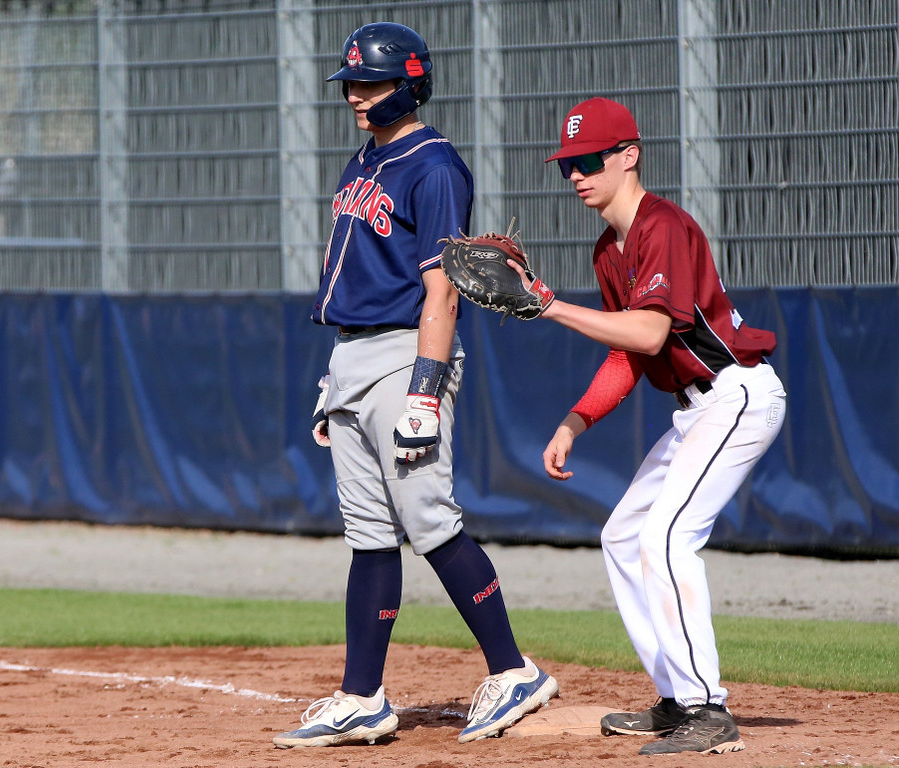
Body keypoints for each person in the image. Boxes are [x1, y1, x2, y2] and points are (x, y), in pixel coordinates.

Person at [272, 22, 558, 749]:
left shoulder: (434, 167)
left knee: (429, 521)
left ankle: (513, 670)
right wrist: (335, 379)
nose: (355, 96)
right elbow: (358, 276)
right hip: (352, 357)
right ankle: (362, 697)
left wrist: (425, 391)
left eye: (369, 83)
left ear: (409, 83)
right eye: (351, 84)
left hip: (406, 356)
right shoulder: (364, 160)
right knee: (369, 534)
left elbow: (443, 290)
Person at [521, 97, 787, 755]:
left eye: (590, 160)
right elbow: (629, 354)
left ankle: (706, 709)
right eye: (568, 165)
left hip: (736, 395)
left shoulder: (660, 225)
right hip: (698, 408)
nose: (576, 174)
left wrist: (550, 307)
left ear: (628, 156)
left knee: (666, 537)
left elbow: (648, 330)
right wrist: (575, 421)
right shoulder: (607, 252)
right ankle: (676, 696)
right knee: (622, 535)